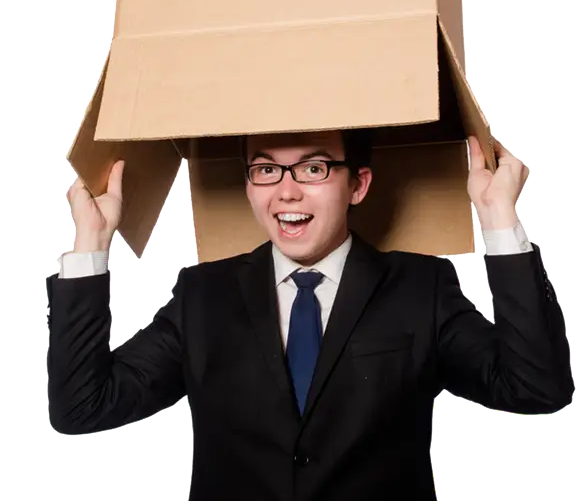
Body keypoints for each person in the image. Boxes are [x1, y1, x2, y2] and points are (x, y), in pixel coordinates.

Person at [47, 129, 574, 501]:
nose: (287, 190)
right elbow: (83, 408)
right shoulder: (204, 296)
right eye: (266, 168)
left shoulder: (420, 288)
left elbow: (537, 387)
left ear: (358, 184)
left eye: (314, 167)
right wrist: (90, 246)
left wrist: (499, 220)